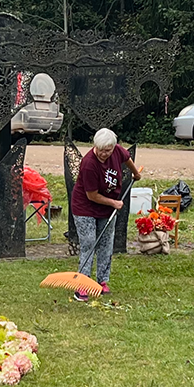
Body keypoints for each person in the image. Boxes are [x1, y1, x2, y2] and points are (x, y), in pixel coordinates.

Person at [69, 128, 139, 300]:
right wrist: (114, 203)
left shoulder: (117, 151)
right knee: (89, 243)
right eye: (100, 149)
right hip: (85, 207)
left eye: (107, 150)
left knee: (106, 243)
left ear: (113, 147)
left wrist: (135, 173)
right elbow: (91, 196)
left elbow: (127, 159)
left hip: (107, 207)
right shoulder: (89, 163)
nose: (103, 153)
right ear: (95, 146)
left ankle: (102, 281)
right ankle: (83, 284)